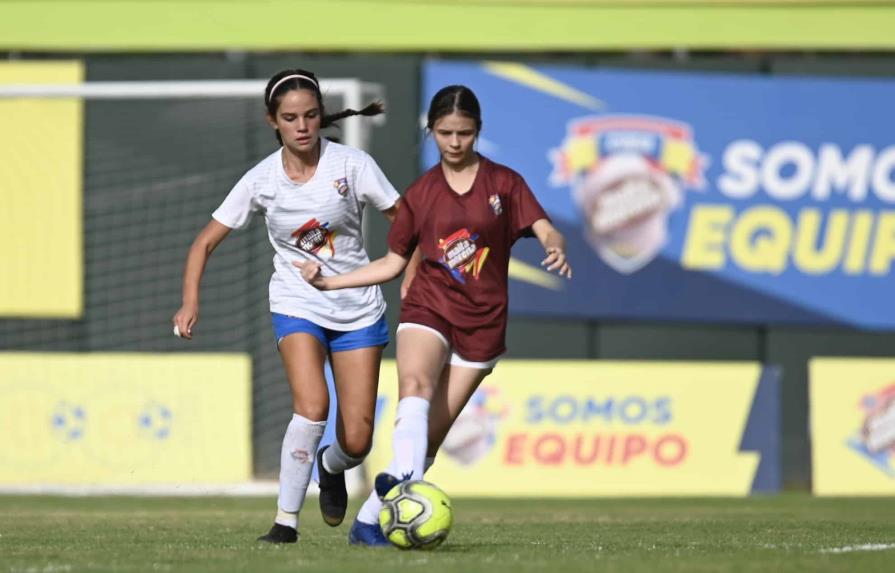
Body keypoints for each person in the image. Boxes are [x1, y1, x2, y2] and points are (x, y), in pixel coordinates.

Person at [296, 84, 572, 545]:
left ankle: (368, 524)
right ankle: (402, 480)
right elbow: (393, 262)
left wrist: (554, 247)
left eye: (464, 132)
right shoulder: (421, 194)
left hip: (483, 324)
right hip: (428, 304)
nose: (455, 141)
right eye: (445, 132)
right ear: (432, 131)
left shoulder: (505, 184)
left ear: (478, 131)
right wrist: (330, 281)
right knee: (416, 385)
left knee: (429, 441)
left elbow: (546, 228)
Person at [171, 68, 401, 544]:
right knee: (312, 406)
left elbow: (406, 224)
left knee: (357, 440)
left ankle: (329, 465)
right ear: (272, 120)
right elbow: (204, 243)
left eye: (311, 115)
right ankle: (285, 522)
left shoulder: (352, 165)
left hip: (357, 305)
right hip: (298, 303)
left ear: (321, 116)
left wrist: (409, 271)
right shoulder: (262, 179)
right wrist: (189, 301)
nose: (302, 126)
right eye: (291, 117)